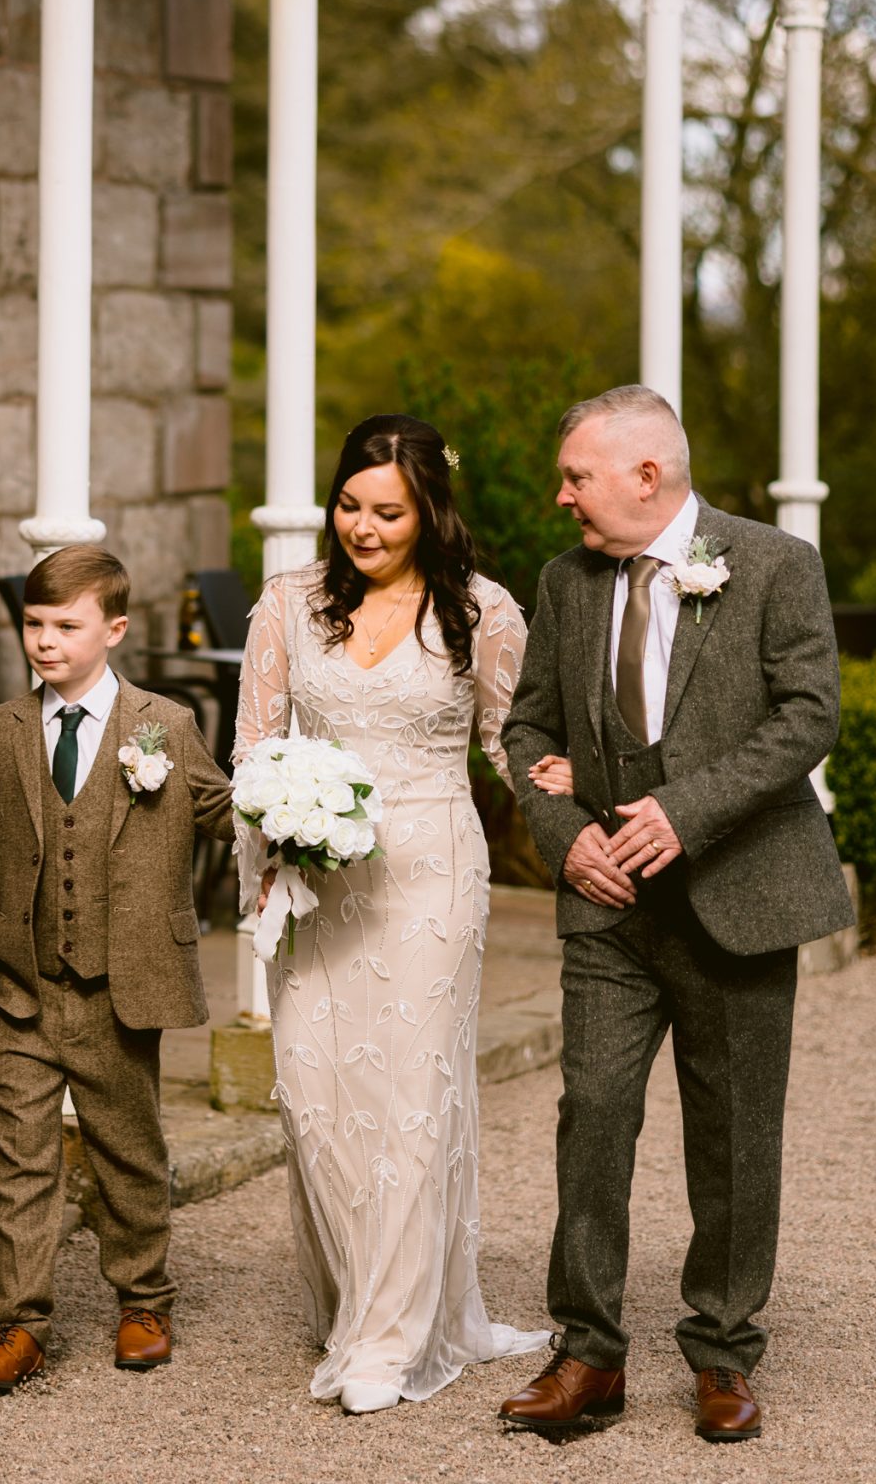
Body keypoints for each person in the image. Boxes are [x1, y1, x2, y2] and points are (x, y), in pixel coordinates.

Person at [498, 386, 853, 1444]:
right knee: (592, 1115)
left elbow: (810, 712)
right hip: (608, 905)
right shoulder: (565, 582)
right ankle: (589, 1351)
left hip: (736, 896)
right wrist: (565, 836)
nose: (561, 495)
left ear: (646, 475)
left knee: (737, 1134)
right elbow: (526, 729)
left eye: (576, 475)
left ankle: (725, 1348)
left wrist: (684, 811)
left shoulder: (776, 563)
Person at [236, 414, 551, 1415]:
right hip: (316, 881)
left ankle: (388, 1336)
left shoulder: (483, 610)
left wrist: (576, 816)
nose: (362, 527)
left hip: (430, 870)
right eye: (349, 505)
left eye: (388, 511)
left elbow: (512, 743)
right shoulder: (289, 602)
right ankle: (366, 1296)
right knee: (317, 1090)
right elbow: (255, 743)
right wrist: (263, 844)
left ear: (427, 510)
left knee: (414, 1091)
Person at [0, 544, 234, 1393]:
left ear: (113, 628)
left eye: (64, 626)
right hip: (21, 988)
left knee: (126, 1153)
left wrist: (292, 801)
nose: (43, 641)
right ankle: (17, 1326)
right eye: (32, 624)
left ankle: (144, 1300)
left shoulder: (164, 726)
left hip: (120, 985)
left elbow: (219, 807)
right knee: (21, 1161)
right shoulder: (4, 730)